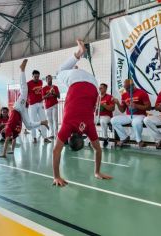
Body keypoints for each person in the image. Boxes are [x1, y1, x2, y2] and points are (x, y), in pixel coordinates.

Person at [52, 39, 112, 187]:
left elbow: (98, 150)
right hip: (77, 80)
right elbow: (55, 151)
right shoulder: (66, 125)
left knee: (64, 77)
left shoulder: (90, 127)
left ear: (83, 138)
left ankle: (77, 59)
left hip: (94, 84)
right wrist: (56, 176)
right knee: (58, 73)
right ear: (70, 136)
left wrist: (97, 172)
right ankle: (78, 53)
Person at [0, 59, 49, 158]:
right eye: (2, 132)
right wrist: (9, 151)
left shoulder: (8, 128)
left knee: (24, 89)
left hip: (18, 107)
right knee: (29, 126)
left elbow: (8, 138)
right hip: (22, 110)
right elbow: (11, 139)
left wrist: (4, 153)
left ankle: (22, 70)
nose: (2, 131)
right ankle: (43, 122)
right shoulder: (10, 130)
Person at [111, 79, 151, 147]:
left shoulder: (142, 93)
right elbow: (122, 110)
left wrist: (136, 105)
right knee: (113, 120)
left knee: (135, 122)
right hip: (129, 116)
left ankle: (139, 140)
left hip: (140, 115)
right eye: (125, 88)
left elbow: (148, 107)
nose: (126, 90)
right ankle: (124, 137)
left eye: (128, 88)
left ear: (133, 86)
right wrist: (117, 103)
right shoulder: (124, 95)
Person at [27, 69, 51, 143]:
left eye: (38, 77)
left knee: (44, 120)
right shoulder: (28, 83)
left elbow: (40, 92)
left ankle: (45, 137)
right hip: (32, 105)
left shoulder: (41, 82)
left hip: (40, 103)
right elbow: (25, 94)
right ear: (32, 76)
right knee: (33, 121)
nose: (37, 78)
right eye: (35, 77)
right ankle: (34, 137)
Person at [42, 75, 60, 139]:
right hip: (47, 106)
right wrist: (49, 93)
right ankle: (52, 134)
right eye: (48, 79)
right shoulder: (44, 88)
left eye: (50, 79)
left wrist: (54, 93)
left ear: (52, 79)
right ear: (46, 80)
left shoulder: (56, 87)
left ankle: (56, 134)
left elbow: (59, 96)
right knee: (50, 121)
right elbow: (43, 97)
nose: (49, 80)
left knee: (55, 119)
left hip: (54, 104)